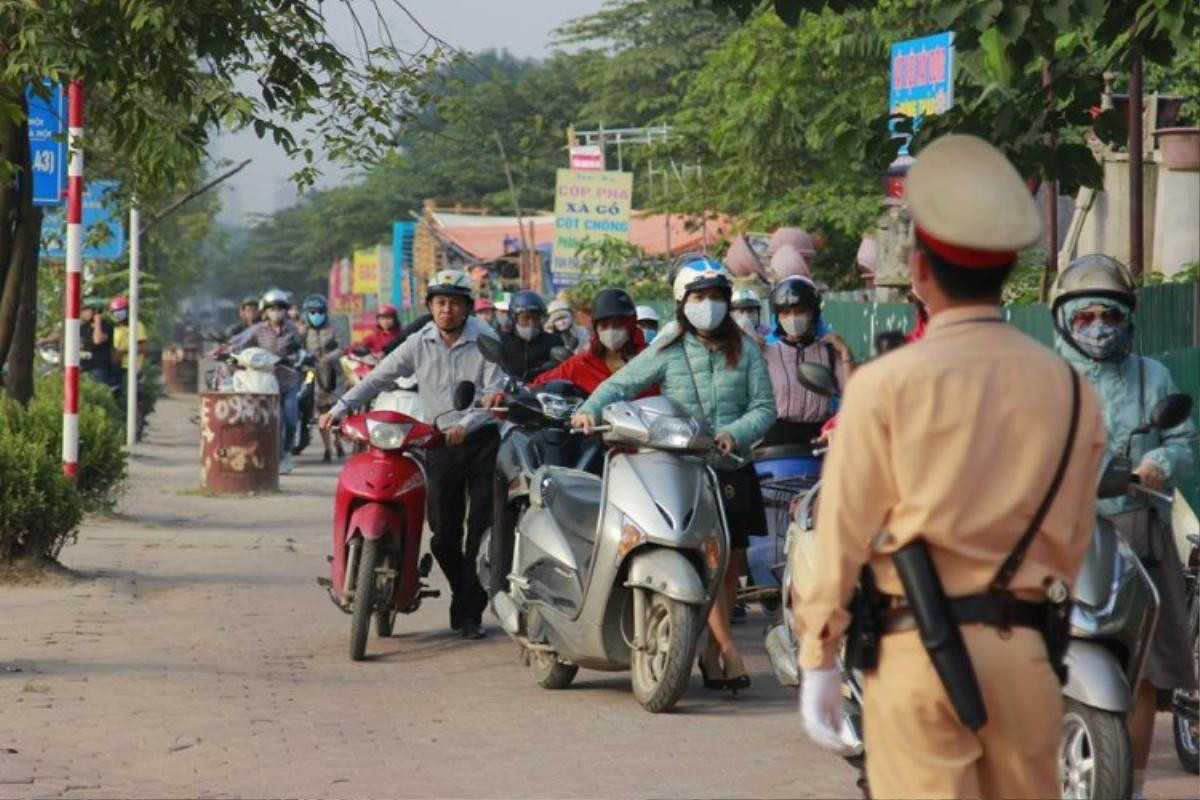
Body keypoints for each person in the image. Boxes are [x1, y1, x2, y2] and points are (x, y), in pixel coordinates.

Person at [795, 134, 1107, 800]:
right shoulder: (1070, 389)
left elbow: (843, 531)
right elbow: (1077, 537)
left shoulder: (887, 384)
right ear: (1005, 274)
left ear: (920, 271)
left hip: (918, 657)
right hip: (1029, 658)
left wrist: (819, 654)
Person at [571, 258, 776, 693]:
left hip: (733, 467)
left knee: (729, 568)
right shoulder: (667, 348)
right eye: (699, 297)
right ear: (683, 303)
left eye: (717, 297)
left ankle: (708, 653)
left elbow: (764, 407)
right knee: (706, 562)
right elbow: (619, 385)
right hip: (684, 471)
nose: (710, 305)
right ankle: (727, 648)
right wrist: (588, 411)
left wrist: (733, 434)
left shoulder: (748, 348)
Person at [1051, 253, 1196, 800]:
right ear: (1063, 319)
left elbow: (1182, 440)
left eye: (1109, 315)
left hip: (1138, 529)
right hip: (1057, 534)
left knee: (1144, 669)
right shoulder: (1044, 377)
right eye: (1084, 317)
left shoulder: (1151, 374)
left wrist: (1157, 463)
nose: (1098, 326)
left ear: (1127, 320)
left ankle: (1128, 785)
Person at [319, 270, 503, 640]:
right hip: (438, 444)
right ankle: (462, 593)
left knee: (480, 535)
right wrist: (340, 408)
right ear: (430, 306)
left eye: (454, 303)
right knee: (442, 537)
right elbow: (379, 377)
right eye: (439, 302)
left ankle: (470, 614)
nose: (446, 310)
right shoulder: (419, 342)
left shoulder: (487, 340)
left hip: (482, 442)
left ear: (467, 307)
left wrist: (466, 425)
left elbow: (495, 395)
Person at [761, 276, 855, 447]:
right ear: (778, 317)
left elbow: (852, 396)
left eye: (800, 311)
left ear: (813, 313)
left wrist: (846, 353)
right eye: (786, 313)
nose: (793, 318)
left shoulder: (829, 351)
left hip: (822, 435)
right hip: (776, 437)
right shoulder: (766, 352)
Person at [231, 289, 303, 475]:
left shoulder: (292, 329)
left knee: (291, 420)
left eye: (280, 308)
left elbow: (300, 350)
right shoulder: (258, 330)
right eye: (272, 308)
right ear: (265, 311)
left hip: (289, 381)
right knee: (275, 422)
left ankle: (287, 452)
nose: (276, 311)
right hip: (268, 383)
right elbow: (239, 343)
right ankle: (277, 458)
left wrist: (296, 355)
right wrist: (232, 354)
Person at [531, 288, 650, 395]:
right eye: (604, 326)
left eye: (618, 325)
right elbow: (538, 384)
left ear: (630, 325)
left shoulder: (651, 360)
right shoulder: (583, 363)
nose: (611, 331)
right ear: (596, 328)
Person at [301, 294, 343, 463]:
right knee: (321, 411)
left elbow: (343, 348)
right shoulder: (303, 331)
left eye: (319, 311)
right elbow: (299, 351)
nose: (316, 315)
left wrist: (329, 357)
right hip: (313, 373)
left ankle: (337, 441)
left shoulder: (334, 328)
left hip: (334, 374)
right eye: (312, 311)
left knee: (336, 411)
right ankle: (327, 448)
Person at [499, 291, 565, 382]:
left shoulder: (554, 341)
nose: (531, 323)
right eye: (525, 318)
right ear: (514, 317)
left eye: (536, 318)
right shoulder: (503, 341)